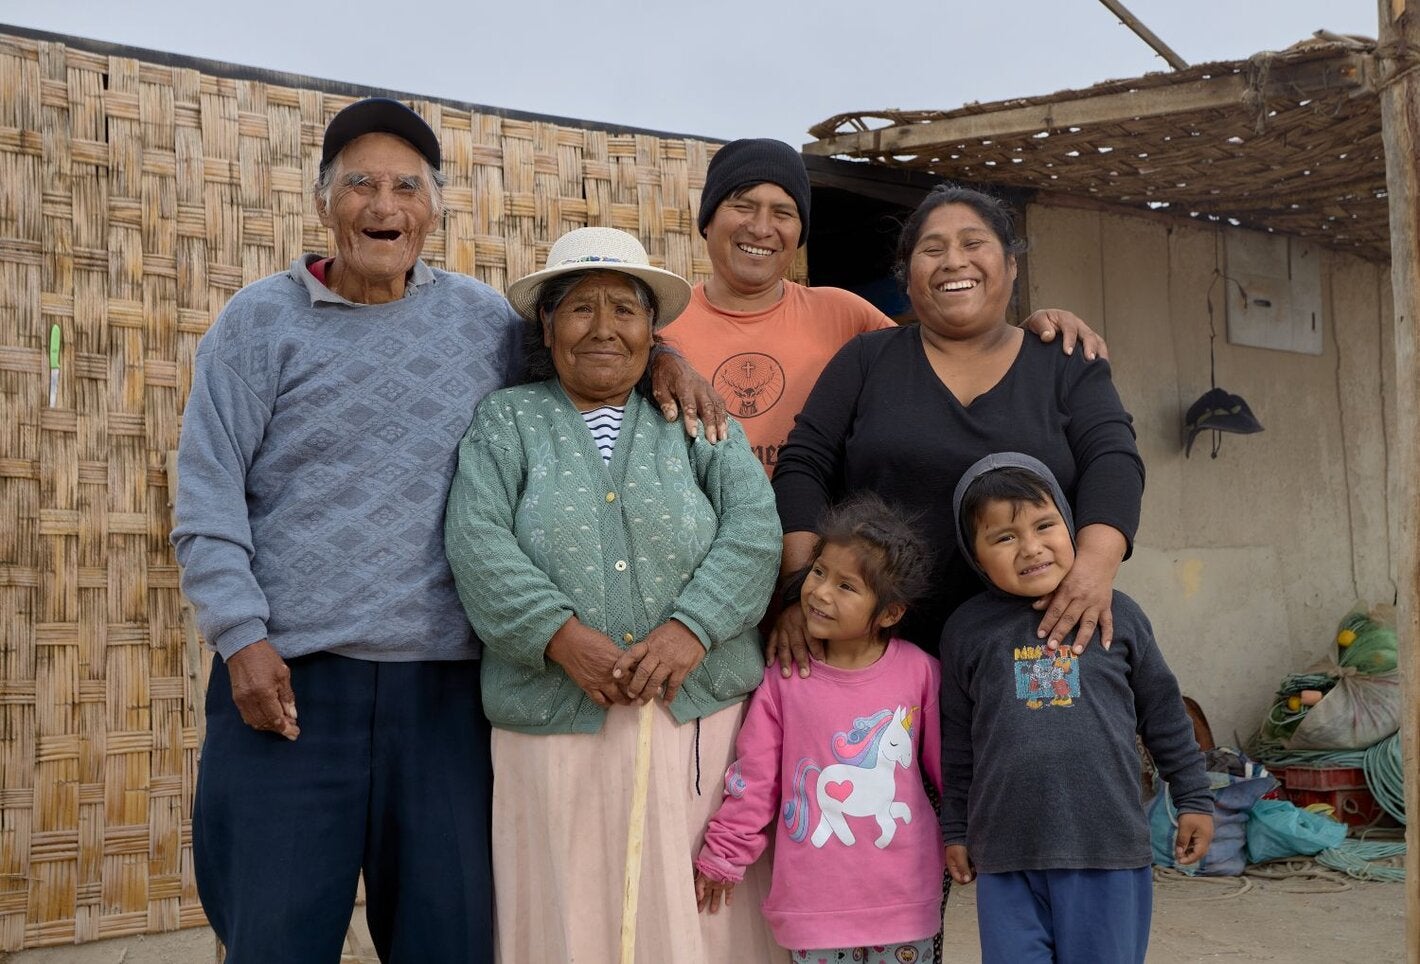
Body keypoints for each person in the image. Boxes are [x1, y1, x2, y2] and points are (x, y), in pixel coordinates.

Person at [170, 99, 717, 964]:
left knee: (450, 939)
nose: (383, 206)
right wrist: (240, 638)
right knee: (272, 938)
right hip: (291, 682)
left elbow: (589, 354)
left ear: (433, 210)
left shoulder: (480, 321)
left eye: (406, 187)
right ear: (323, 202)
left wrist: (669, 360)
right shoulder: (256, 324)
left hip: (447, 693)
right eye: (361, 184)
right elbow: (206, 499)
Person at [443, 226, 786, 962]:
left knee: (697, 913)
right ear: (547, 326)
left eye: (625, 309)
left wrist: (692, 628)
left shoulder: (696, 418)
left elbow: (755, 530)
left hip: (697, 715)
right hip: (555, 720)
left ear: (652, 330)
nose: (603, 329)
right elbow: (477, 541)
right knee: (572, 900)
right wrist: (559, 636)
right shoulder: (507, 422)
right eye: (580, 308)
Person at [772, 184, 1145, 674]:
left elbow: (1113, 461)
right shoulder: (867, 360)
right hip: (874, 654)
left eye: (973, 243)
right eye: (932, 249)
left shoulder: (1064, 362)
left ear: (1011, 264)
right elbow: (802, 467)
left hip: (1033, 648)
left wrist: (1094, 568)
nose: (953, 261)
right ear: (908, 278)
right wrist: (802, 589)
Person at [659, 137, 1107, 476]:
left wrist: (1023, 333)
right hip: (701, 557)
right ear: (707, 219)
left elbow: (944, 348)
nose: (762, 228)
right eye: (743, 206)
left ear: (800, 231)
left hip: (819, 553)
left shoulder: (844, 314)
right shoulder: (662, 321)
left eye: (783, 213)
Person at [940, 453, 1214, 963]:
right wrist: (956, 829)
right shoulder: (966, 631)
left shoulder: (1119, 615)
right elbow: (957, 744)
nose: (1031, 547)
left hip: (1106, 850)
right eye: (1004, 537)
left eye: (1045, 525)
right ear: (975, 556)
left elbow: (1165, 716)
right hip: (1006, 855)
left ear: (1069, 525)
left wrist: (1194, 797)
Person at [694, 494, 944, 963]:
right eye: (819, 572)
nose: (821, 592)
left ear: (890, 613)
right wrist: (725, 853)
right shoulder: (784, 678)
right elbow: (755, 778)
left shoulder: (921, 674)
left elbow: (951, 773)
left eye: (846, 586)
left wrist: (974, 838)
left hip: (904, 899)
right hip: (814, 906)